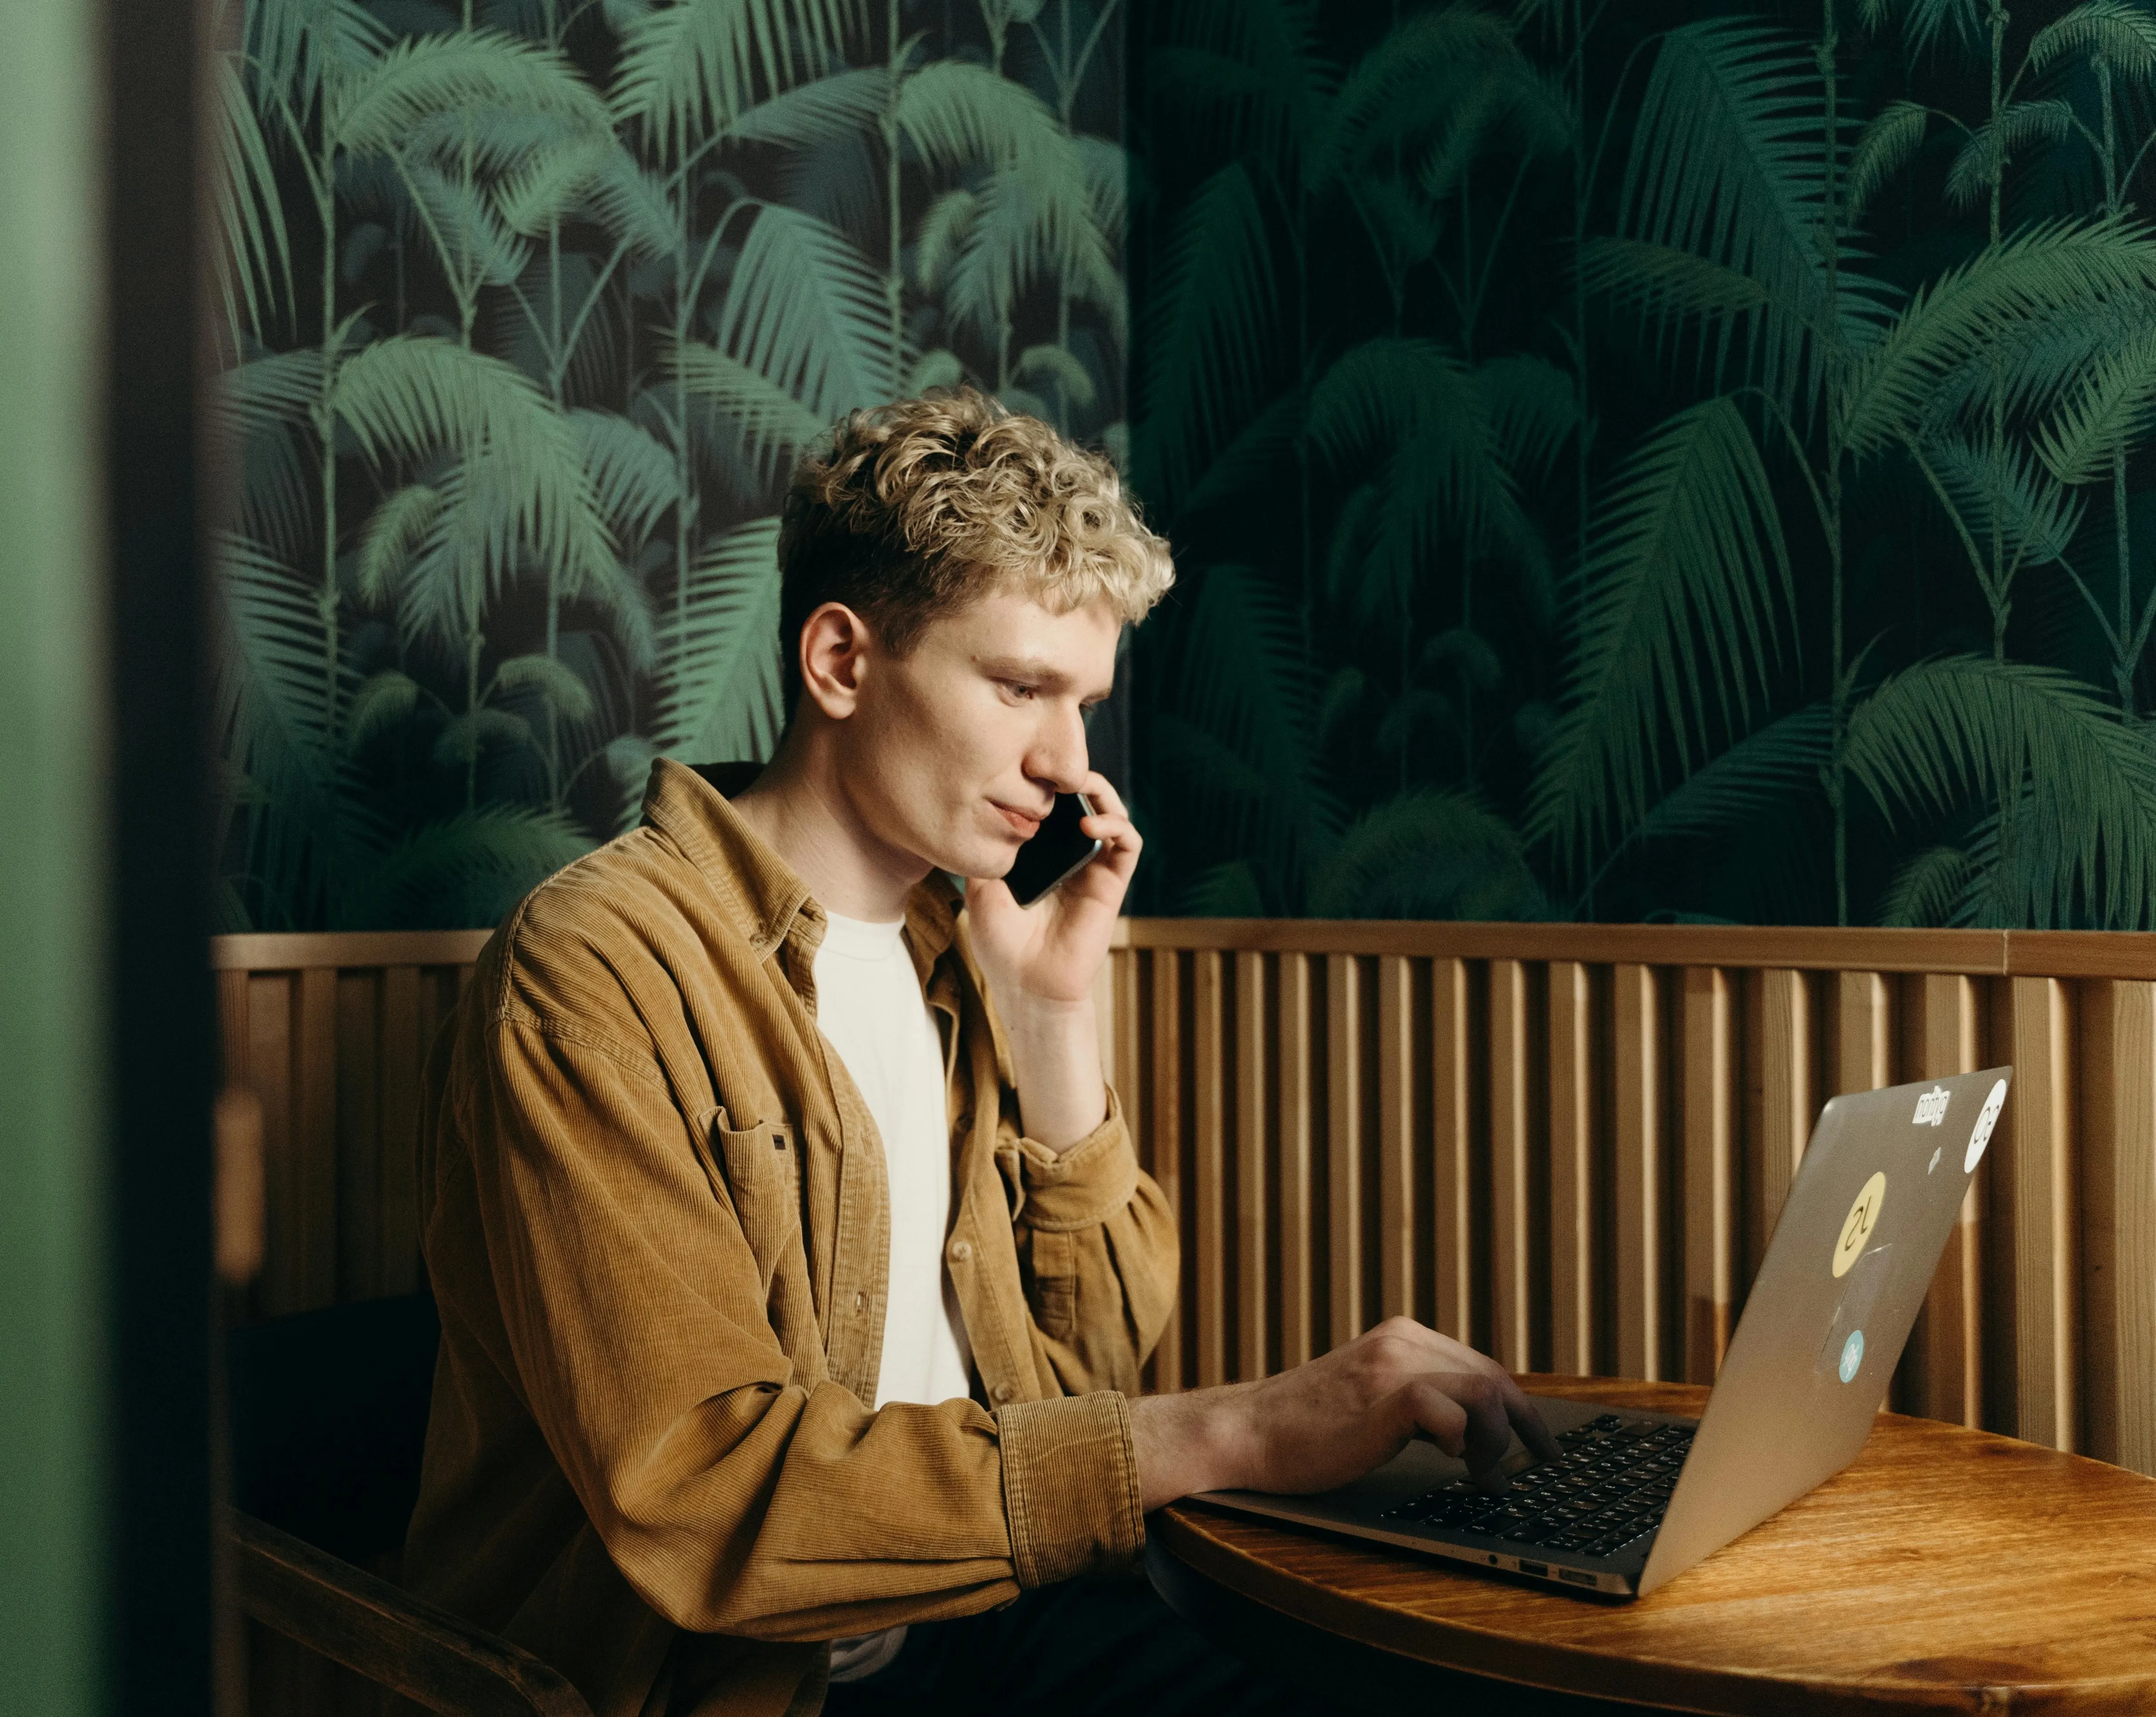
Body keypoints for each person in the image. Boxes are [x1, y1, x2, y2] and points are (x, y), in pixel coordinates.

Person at [401, 390, 1558, 1717]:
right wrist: (1243, 1427)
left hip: (994, 1615)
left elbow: (1092, 1368)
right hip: (747, 1687)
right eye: (1019, 688)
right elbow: (710, 1505)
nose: (1068, 764)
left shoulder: (957, 947)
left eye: (1085, 702)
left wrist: (1052, 1014)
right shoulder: (595, 971)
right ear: (841, 661)